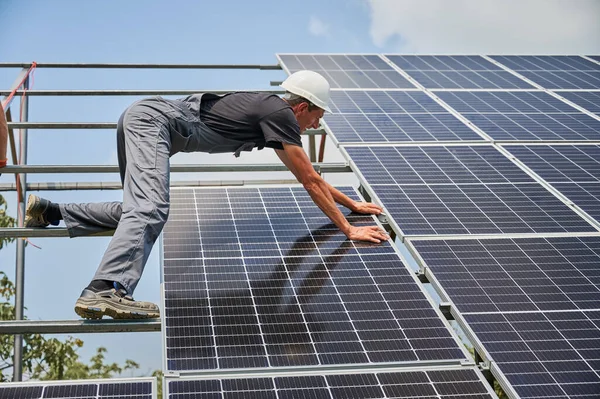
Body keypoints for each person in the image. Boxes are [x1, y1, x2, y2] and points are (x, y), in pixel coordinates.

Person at [11, 70, 389, 320]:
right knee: (150, 209)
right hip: (151, 123)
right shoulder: (282, 115)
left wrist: (353, 204)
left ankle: (51, 211)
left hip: (145, 119)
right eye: (318, 115)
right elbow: (309, 181)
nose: (317, 124)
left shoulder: (273, 113)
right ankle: (105, 289)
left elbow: (313, 179)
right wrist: (348, 229)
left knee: (136, 211)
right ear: (302, 107)